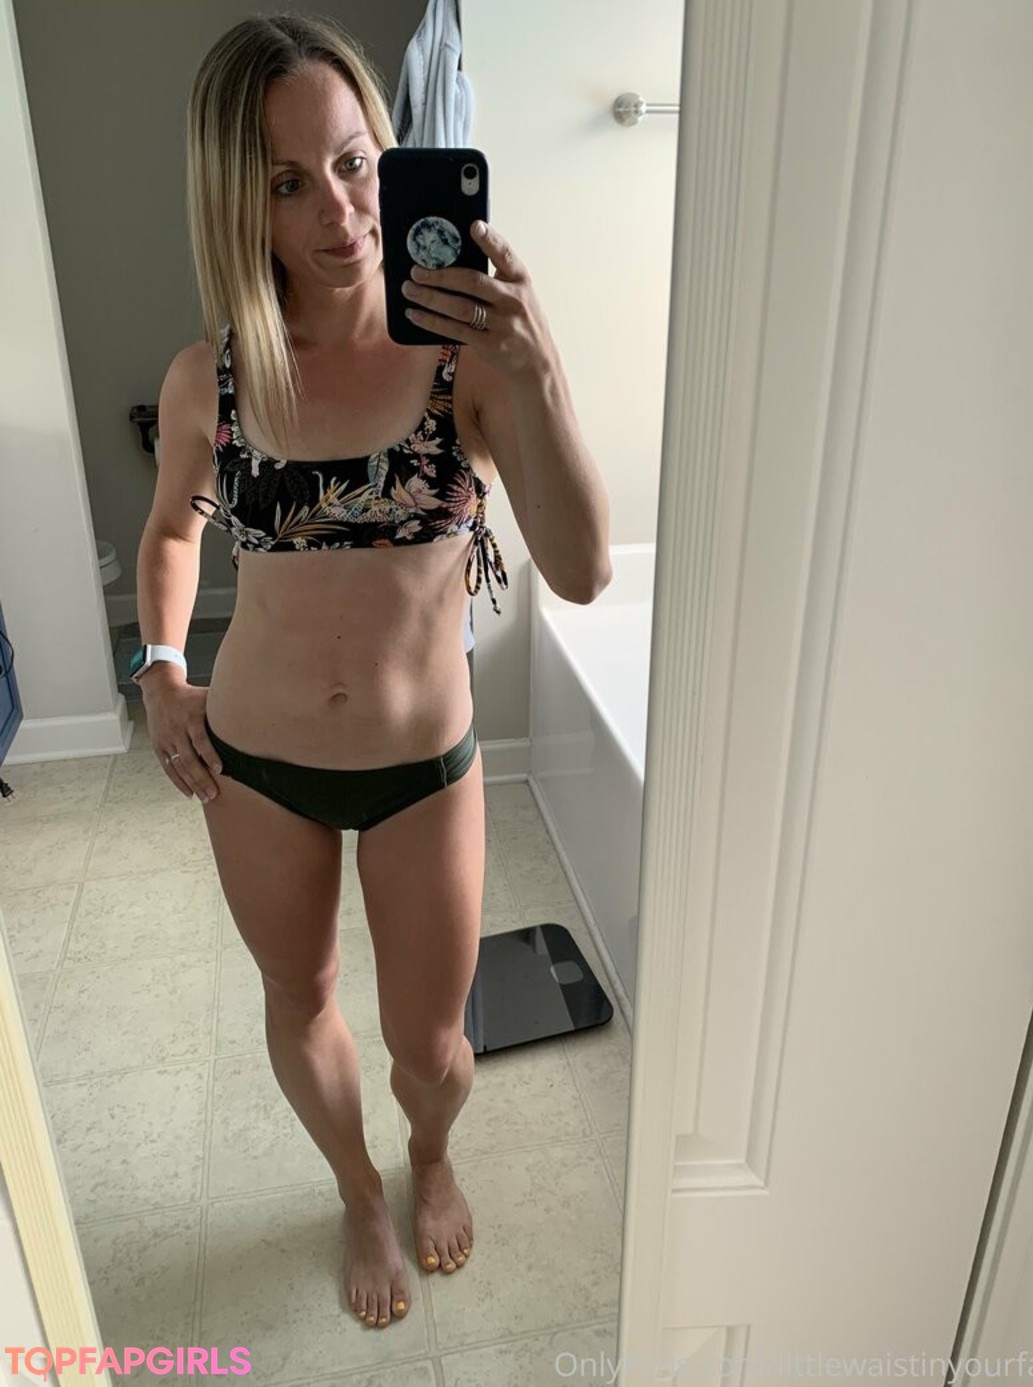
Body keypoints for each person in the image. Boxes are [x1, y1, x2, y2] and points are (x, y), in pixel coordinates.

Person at [134, 12, 611, 1332]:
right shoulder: (212, 378)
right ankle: (357, 1190)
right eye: (288, 182)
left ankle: (430, 1154)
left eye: (353, 164)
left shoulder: (468, 359)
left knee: (432, 1046)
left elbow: (582, 572)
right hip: (257, 766)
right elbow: (171, 532)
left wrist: (540, 366)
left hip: (421, 772)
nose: (340, 213)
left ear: (389, 157)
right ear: (240, 201)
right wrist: (161, 669)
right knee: (299, 1001)